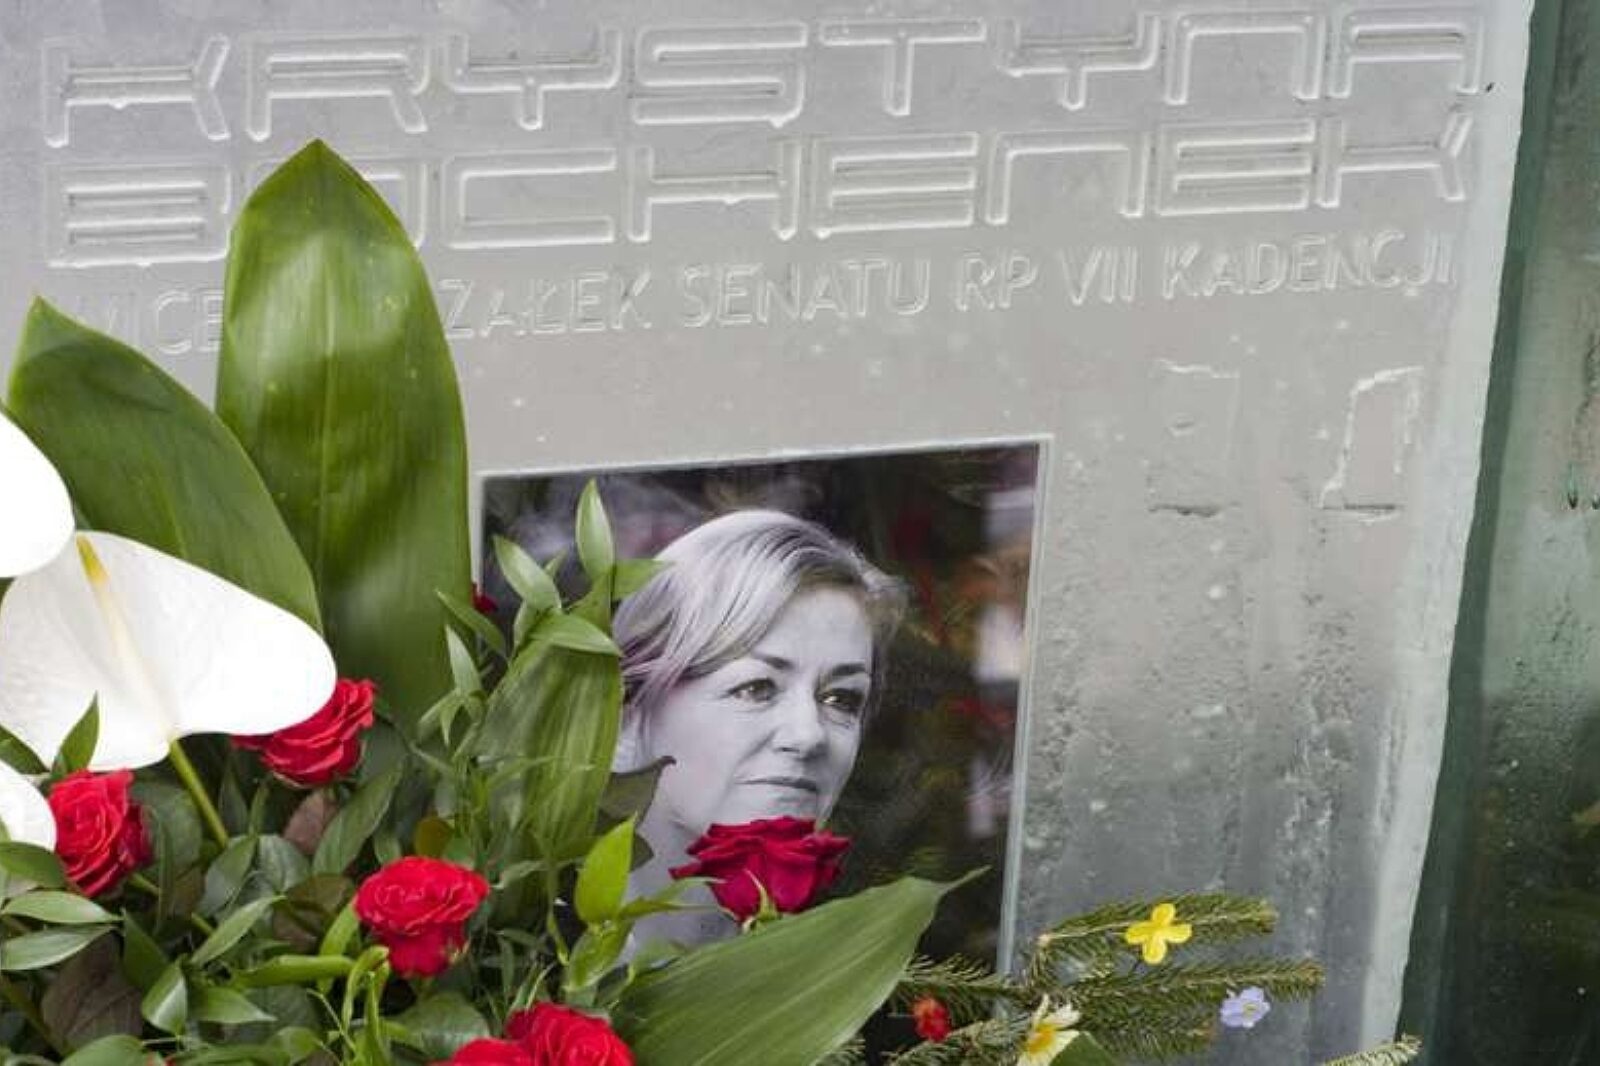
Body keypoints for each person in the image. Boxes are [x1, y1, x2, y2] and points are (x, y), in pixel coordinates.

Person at [612, 508, 905, 946]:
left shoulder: (851, 960)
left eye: (841, 699)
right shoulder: (524, 950)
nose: (808, 735)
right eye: (756, 688)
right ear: (628, 712)